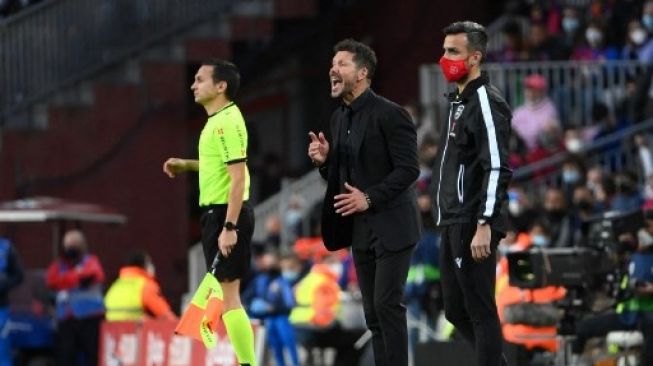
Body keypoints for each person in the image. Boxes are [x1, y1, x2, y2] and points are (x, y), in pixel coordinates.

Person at [307, 38, 420, 366]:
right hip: (360, 230)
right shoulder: (339, 119)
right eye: (333, 62)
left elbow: (409, 169)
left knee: (387, 306)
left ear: (363, 73)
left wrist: (369, 198)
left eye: (342, 63)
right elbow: (340, 178)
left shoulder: (391, 114)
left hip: (394, 227)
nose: (333, 68)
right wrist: (325, 162)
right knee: (372, 314)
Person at [163, 59, 256, 366]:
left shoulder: (227, 121)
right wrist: (186, 165)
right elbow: (221, 168)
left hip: (226, 215)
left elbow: (238, 177)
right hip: (217, 216)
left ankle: (248, 363)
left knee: (230, 297)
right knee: (223, 295)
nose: (193, 85)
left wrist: (229, 226)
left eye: (200, 79)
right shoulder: (216, 121)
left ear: (221, 86)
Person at [430, 21, 512, 366]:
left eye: (453, 52)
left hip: (472, 219)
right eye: (444, 50)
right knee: (454, 311)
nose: (444, 58)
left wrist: (485, 222)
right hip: (452, 219)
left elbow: (496, 166)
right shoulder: (458, 102)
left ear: (475, 57)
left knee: (479, 310)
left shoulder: (485, 101)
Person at [45, 230, 105, 366]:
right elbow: (51, 281)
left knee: (92, 355)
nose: (70, 248)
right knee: (65, 356)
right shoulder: (58, 265)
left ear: (82, 245)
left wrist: (65, 280)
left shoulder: (91, 261)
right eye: (68, 245)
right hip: (67, 319)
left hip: (90, 317)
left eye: (74, 245)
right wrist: (76, 276)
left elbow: (93, 276)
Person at [104, 250, 176, 321]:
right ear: (144, 265)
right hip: (134, 329)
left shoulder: (116, 285)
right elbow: (167, 317)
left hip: (110, 330)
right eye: (150, 262)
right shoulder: (145, 285)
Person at [0, 237, 23, 366]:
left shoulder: (5, 247)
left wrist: (3, 285)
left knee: (2, 352)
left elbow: (18, 275)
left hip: (1, 308)